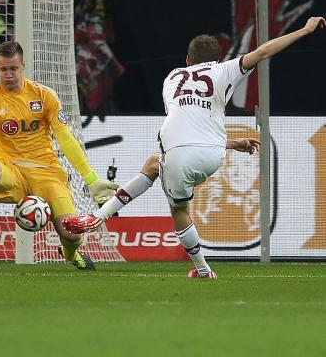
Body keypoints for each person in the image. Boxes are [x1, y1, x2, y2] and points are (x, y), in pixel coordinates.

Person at [63, 16, 326, 278]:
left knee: (178, 209)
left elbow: (186, 128)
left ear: (188, 60)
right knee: (154, 164)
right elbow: (264, 51)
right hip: (213, 154)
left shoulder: (172, 78)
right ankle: (98, 217)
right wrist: (305, 29)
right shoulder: (225, 70)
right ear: (216, 59)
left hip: (179, 151)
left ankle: (201, 268)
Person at [0, 41, 117, 270]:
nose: (8, 74)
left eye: (13, 69)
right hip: (11, 171)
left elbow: (66, 140)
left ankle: (70, 254)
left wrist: (91, 179)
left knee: (71, 233)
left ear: (23, 66)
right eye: (3, 69)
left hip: (48, 174)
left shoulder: (44, 95)